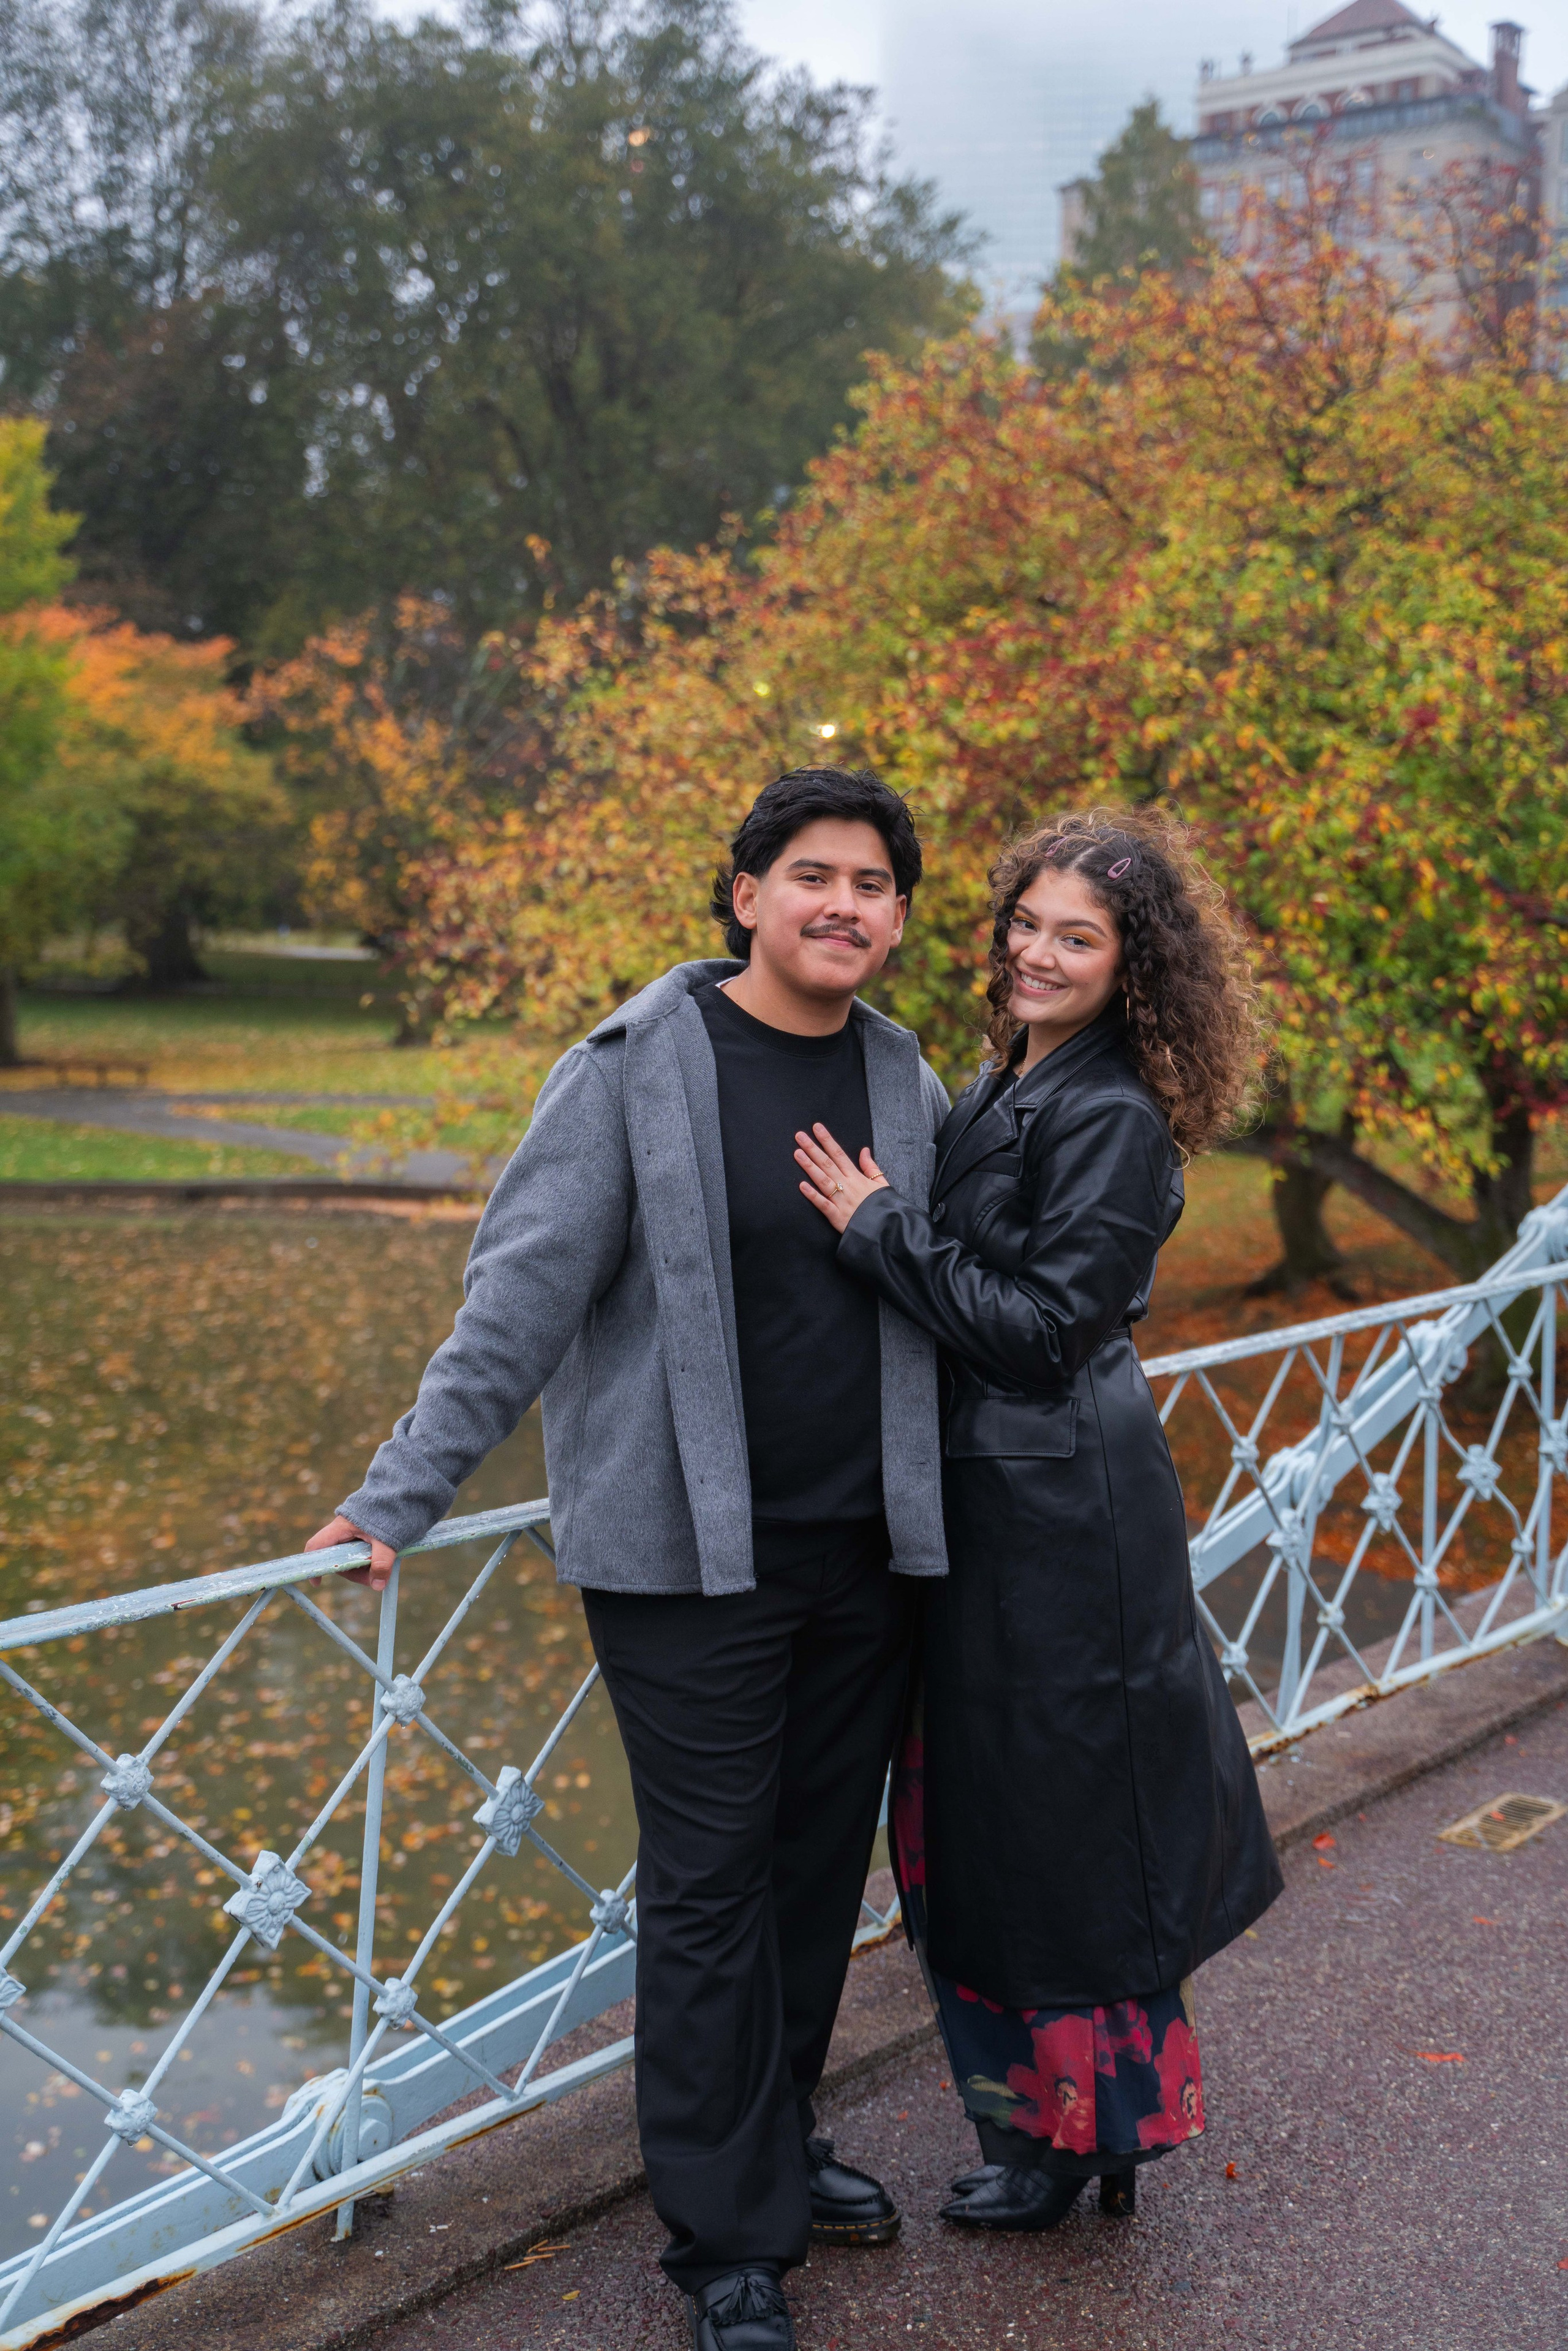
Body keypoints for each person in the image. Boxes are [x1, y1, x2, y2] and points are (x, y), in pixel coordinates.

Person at [305, 766, 951, 2351]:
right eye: (813, 872)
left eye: (874, 881)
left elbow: (944, 1289)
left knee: (812, 1876)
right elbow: (516, 1301)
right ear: (745, 893)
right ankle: (727, 2240)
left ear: (897, 916)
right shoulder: (628, 1066)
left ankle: (778, 2140)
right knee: (716, 1883)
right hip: (682, 1557)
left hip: (866, 1553)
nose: (843, 903)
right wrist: (398, 1492)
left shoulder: (905, 1078)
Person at [794, 807, 1283, 2232]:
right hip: (1002, 1500)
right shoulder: (1016, 1076)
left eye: (1077, 936)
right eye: (1026, 922)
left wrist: (880, 1224)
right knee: (988, 1821)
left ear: (1130, 967)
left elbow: (1046, 1326)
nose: (1037, 952)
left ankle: (1074, 2137)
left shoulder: (1113, 1114)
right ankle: (1064, 2128)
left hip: (1057, 1511)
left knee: (1051, 1826)